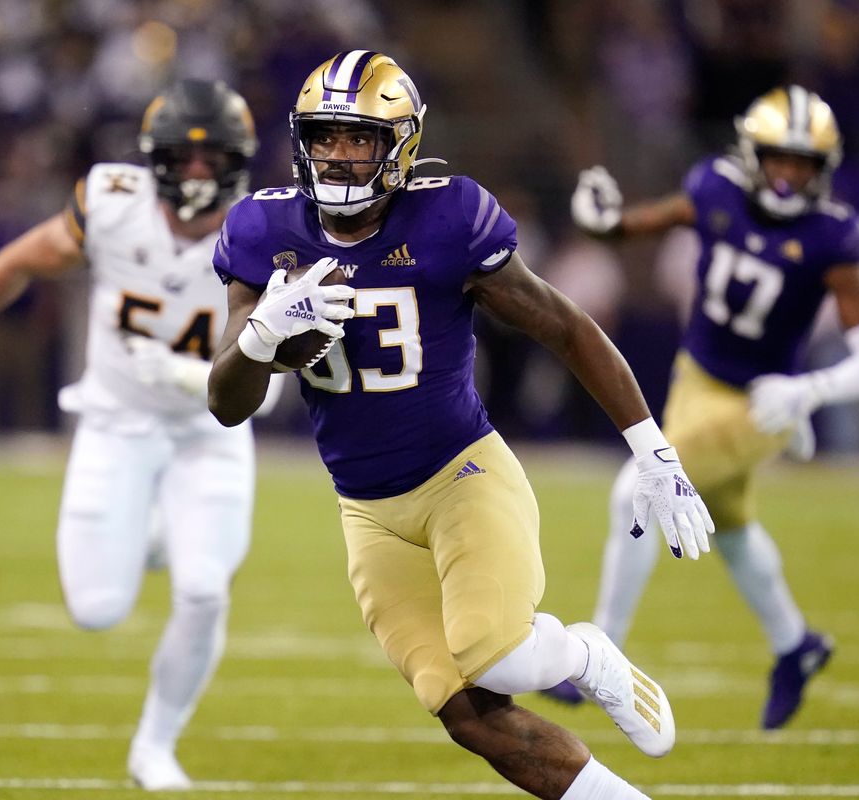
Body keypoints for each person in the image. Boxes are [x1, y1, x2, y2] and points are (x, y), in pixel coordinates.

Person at [208, 51, 714, 800]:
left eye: (359, 140)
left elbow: (566, 327)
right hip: (368, 511)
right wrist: (257, 340)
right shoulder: (262, 229)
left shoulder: (447, 218)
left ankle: (581, 656)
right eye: (325, 138)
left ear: (400, 146)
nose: (339, 157)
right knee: (469, 715)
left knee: (498, 657)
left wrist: (655, 454)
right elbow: (225, 402)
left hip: (462, 476)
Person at [0, 79, 281, 791]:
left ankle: (155, 745)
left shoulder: (268, 231)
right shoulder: (114, 207)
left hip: (210, 432)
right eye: (187, 157)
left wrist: (185, 377)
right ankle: (150, 533)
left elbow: (270, 391)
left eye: (216, 160)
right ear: (157, 159)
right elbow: (25, 257)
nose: (201, 174)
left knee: (205, 590)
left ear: (240, 162)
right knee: (95, 608)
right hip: (115, 422)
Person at [564, 85, 859, 729]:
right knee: (734, 531)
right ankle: (795, 646)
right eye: (780, 157)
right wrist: (597, 217)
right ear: (752, 153)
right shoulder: (715, 189)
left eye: (803, 163)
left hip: (764, 401)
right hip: (697, 378)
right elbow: (633, 225)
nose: (789, 174)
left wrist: (811, 390)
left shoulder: (834, 237)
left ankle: (600, 657)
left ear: (823, 170)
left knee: (637, 489)